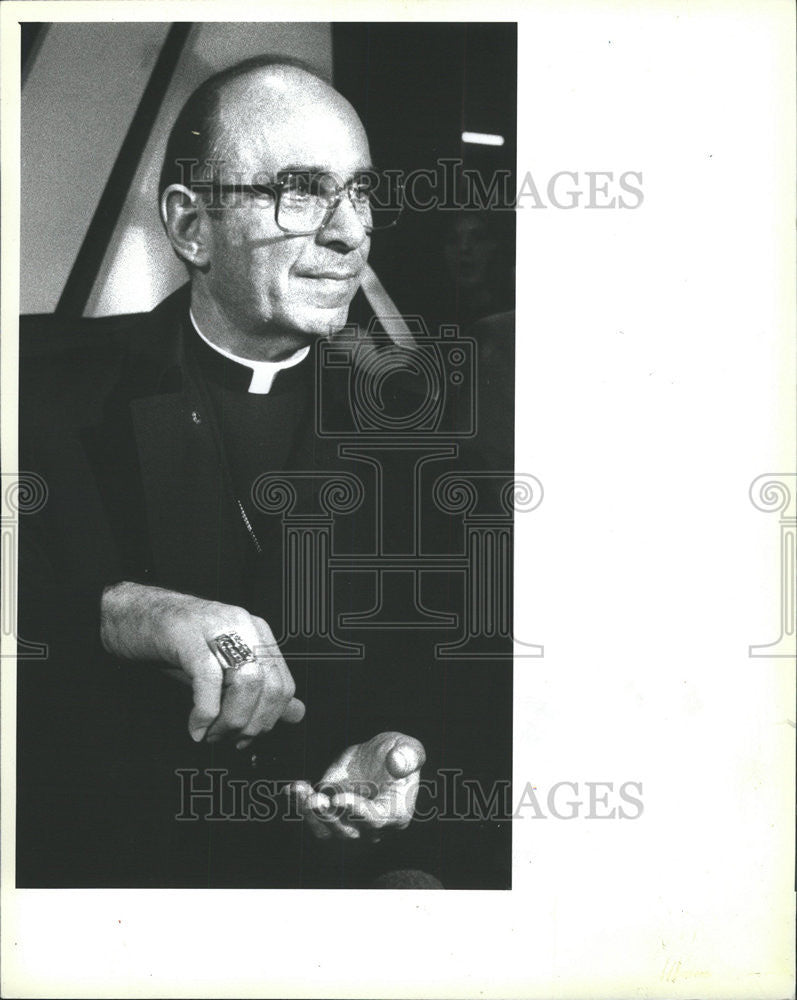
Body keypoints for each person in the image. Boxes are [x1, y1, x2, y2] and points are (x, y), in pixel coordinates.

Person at [17, 56, 512, 889]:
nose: (349, 232)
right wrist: (119, 612)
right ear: (189, 226)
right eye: (300, 190)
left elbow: (471, 692)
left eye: (360, 192)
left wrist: (401, 764)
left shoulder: (435, 446)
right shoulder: (37, 389)